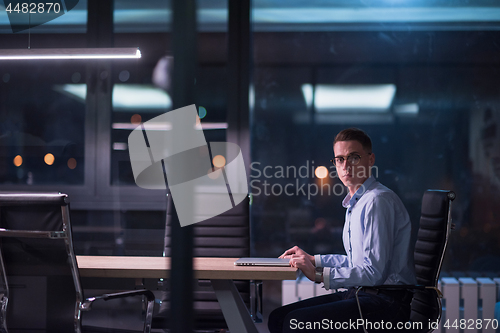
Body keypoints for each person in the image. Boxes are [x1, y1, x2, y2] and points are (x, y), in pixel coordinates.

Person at [268, 128, 416, 332]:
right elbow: (358, 263)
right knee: (278, 318)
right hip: (365, 293)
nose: (346, 166)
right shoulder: (357, 203)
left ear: (370, 160)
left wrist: (319, 274)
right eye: (339, 159)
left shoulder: (377, 201)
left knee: (294, 322)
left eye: (354, 158)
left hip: (387, 303)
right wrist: (314, 260)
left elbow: (373, 274)